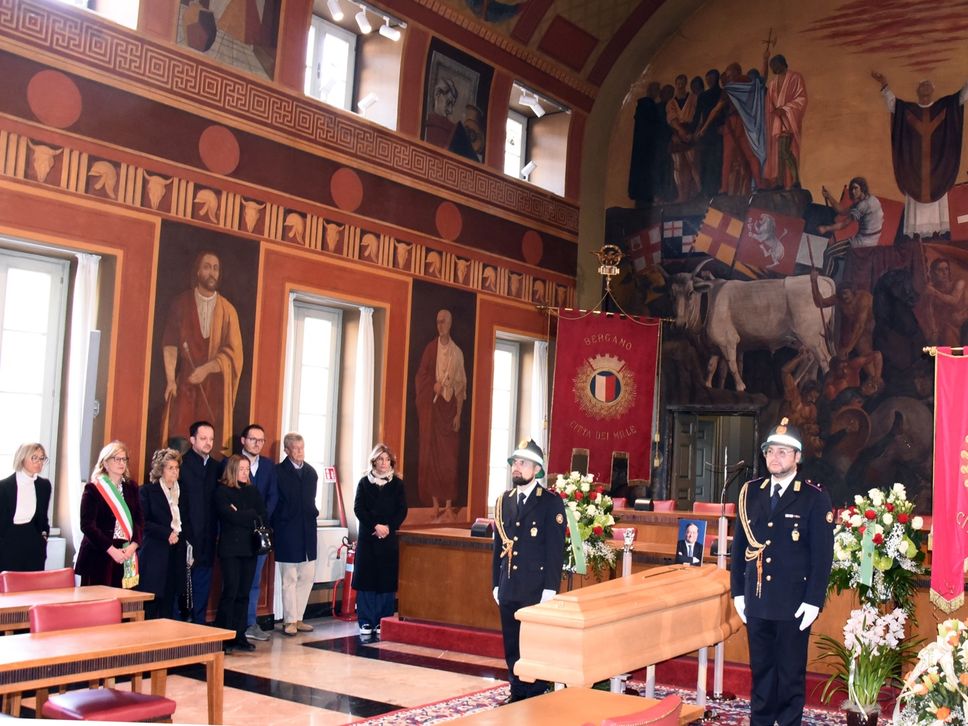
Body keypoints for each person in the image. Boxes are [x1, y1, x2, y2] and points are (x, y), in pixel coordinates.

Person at [731, 419, 834, 726]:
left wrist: (814, 600)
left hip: (793, 603)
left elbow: (822, 554)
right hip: (758, 599)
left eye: (784, 452)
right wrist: (738, 590)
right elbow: (739, 548)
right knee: (761, 672)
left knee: (790, 676)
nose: (775, 458)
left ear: (797, 457)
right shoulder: (751, 492)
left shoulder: (814, 496)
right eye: (770, 451)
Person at [491, 440, 565, 704]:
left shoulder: (550, 503)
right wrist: (495, 584)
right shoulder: (504, 501)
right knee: (511, 642)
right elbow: (498, 546)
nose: (516, 467)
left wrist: (550, 588)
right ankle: (516, 691)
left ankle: (534, 693)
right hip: (509, 584)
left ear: (536, 469)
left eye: (522, 463)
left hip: (535, 587)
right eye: (514, 463)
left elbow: (555, 550)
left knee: (532, 644)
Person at [162, 250, 244, 457]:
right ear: (197, 271)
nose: (212, 273)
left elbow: (234, 355)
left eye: (216, 268)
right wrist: (171, 380)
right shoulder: (180, 304)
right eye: (207, 267)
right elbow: (170, 344)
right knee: (179, 441)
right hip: (186, 386)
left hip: (215, 389)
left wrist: (207, 369)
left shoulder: (228, 311)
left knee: (211, 450)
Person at [872, 72, 968, 239]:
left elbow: (961, 98)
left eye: (928, 84)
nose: (925, 86)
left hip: (938, 171)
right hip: (914, 171)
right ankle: (917, 240)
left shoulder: (944, 107)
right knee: (916, 222)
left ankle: (938, 239)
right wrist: (884, 85)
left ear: (932, 90)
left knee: (939, 219)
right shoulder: (908, 111)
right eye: (922, 84)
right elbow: (893, 104)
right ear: (917, 90)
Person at [352, 443, 408, 643]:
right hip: (369, 538)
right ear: (374, 461)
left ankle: (382, 620)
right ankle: (366, 620)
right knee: (367, 581)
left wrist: (388, 527)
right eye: (380, 459)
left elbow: (402, 510)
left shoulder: (398, 485)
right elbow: (358, 509)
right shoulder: (363, 483)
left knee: (385, 581)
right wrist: (375, 525)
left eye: (387, 460)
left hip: (388, 539)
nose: (384, 463)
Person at [415, 308, 467, 518]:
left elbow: (461, 387)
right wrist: (432, 386)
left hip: (450, 410)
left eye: (443, 322)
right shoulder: (430, 349)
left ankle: (447, 504)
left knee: (449, 459)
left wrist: (458, 415)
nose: (440, 325)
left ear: (450, 323)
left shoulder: (457, 353)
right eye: (438, 322)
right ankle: (435, 503)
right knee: (433, 456)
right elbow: (421, 376)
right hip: (434, 410)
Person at [214, 454, 266, 654]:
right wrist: (248, 514)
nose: (245, 472)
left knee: (244, 593)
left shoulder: (252, 491)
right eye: (241, 469)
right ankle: (223, 637)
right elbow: (229, 516)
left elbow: (262, 515)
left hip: (249, 548)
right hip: (230, 549)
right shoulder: (222, 491)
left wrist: (243, 514)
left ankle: (239, 635)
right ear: (232, 470)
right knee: (231, 592)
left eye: (247, 469)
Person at [76, 441, 144, 588]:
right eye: (116, 459)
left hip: (126, 552)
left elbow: (139, 520)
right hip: (100, 553)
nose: (121, 463)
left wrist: (133, 545)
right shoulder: (94, 488)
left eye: (124, 459)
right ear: (105, 463)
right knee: (98, 605)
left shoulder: (131, 487)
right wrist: (111, 550)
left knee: (122, 604)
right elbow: (87, 525)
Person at [273, 433, 319, 637]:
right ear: (287, 450)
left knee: (307, 575)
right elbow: (275, 502)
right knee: (289, 576)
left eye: (302, 447)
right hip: (287, 530)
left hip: (308, 529)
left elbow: (311, 501)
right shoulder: (278, 472)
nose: (300, 451)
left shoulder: (311, 472)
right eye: (295, 448)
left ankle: (299, 617)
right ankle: (289, 620)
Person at [238, 424, 278, 642]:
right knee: (236, 580)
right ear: (243, 440)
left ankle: (251, 623)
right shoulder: (232, 463)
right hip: (237, 532)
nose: (257, 443)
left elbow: (273, 496)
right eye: (253, 439)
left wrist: (260, 519)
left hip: (260, 532)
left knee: (254, 580)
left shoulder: (269, 467)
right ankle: (235, 624)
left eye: (261, 440)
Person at [138, 448, 186, 620]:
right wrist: (167, 533)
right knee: (152, 598)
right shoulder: (148, 491)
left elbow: (186, 521)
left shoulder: (182, 492)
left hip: (175, 552)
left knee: (169, 597)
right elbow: (143, 521)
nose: (174, 471)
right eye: (170, 468)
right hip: (155, 551)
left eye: (176, 468)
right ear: (160, 470)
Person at [180, 420, 219, 623]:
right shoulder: (181, 465)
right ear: (192, 439)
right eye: (203, 438)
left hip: (208, 536)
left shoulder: (215, 467)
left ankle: (200, 625)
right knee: (183, 586)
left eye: (211, 439)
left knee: (203, 584)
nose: (208, 443)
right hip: (186, 535)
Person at [0, 443, 52, 572]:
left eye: (42, 458)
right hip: (8, 541)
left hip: (33, 540)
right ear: (22, 458)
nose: (39, 462)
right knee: (8, 587)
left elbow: (43, 517)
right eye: (34, 457)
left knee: (31, 586)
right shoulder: (4, 487)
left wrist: (43, 539)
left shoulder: (44, 486)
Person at [763, 54, 807, 190]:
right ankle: (781, 182)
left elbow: (801, 99)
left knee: (784, 151)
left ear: (782, 63)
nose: (773, 69)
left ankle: (795, 180)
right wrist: (774, 112)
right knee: (779, 154)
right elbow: (769, 104)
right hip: (778, 122)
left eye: (774, 65)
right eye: (771, 67)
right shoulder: (772, 84)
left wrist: (786, 109)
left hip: (788, 121)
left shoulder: (795, 77)